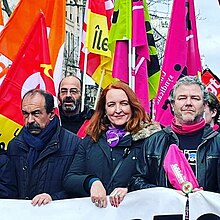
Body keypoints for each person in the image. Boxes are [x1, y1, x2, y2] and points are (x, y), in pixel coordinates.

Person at [63, 81, 161, 208]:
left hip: (135, 213)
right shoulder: (91, 140)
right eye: (111, 105)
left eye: (124, 104)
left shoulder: (150, 140)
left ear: (132, 106)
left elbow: (158, 183)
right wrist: (91, 182)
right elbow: (69, 180)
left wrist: (131, 190)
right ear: (104, 110)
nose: (118, 110)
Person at [129, 76, 220, 193]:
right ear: (172, 104)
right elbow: (135, 182)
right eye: (182, 98)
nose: (188, 103)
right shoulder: (153, 142)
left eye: (195, 98)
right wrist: (166, 194)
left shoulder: (217, 142)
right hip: (166, 211)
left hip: (205, 211)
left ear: (204, 104)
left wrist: (204, 197)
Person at [7, 89, 81, 206]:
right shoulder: (14, 146)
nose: (30, 120)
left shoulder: (73, 144)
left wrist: (53, 198)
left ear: (51, 114)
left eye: (36, 113)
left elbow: (77, 187)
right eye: (25, 114)